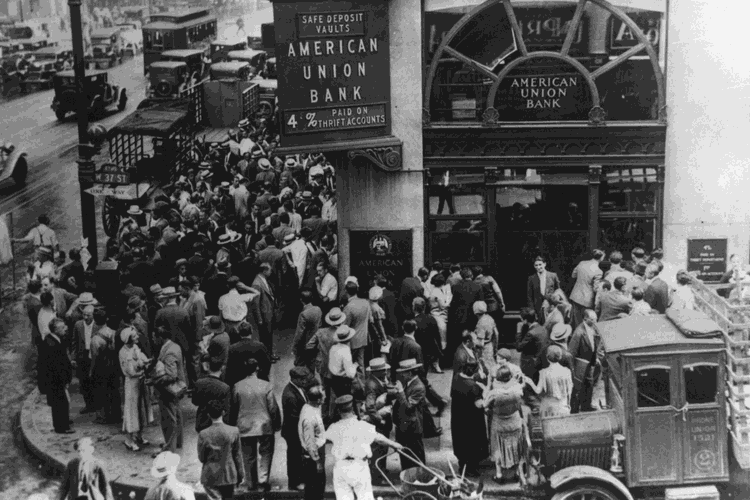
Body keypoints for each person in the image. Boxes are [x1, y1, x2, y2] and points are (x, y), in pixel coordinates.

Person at [321, 395, 404, 500]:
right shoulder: (363, 426)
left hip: (341, 467)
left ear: (338, 411)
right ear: (353, 409)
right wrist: (395, 445)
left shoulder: (333, 427)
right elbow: (379, 438)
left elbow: (321, 438)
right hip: (360, 467)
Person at [227, 358, 281, 493]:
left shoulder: (237, 386)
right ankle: (263, 481)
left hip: (244, 425)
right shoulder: (266, 385)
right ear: (257, 369)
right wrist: (276, 423)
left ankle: (251, 483)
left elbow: (234, 407)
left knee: (248, 455)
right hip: (264, 424)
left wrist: (233, 424)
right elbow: (273, 407)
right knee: (266, 453)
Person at [197, 399, 245, 500]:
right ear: (223, 412)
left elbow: (202, 457)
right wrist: (240, 473)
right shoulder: (234, 431)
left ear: (208, 415)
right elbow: (237, 455)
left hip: (210, 474)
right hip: (229, 473)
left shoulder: (203, 434)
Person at [484, 366, 525, 484]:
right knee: (516, 446)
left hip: (499, 422)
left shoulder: (494, 393)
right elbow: (521, 389)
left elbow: (485, 406)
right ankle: (517, 472)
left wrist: (486, 388)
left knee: (497, 447)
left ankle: (499, 474)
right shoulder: (517, 389)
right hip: (515, 421)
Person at [363, 358, 398, 485]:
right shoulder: (372, 385)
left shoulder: (378, 381)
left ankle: (381, 470)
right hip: (378, 424)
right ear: (376, 372)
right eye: (383, 370)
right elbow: (370, 407)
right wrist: (380, 420)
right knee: (378, 450)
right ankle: (376, 477)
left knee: (382, 449)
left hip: (382, 422)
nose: (385, 372)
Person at [450, 361, 488, 477]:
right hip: (472, 421)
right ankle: (471, 469)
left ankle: (462, 466)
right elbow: (479, 404)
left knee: (460, 442)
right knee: (473, 444)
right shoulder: (473, 387)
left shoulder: (456, 378)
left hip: (458, 418)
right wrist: (485, 390)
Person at [153, 322, 187, 453]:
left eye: (154, 337)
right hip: (177, 388)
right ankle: (177, 442)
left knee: (168, 419)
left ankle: (169, 447)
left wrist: (154, 380)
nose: (153, 339)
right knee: (176, 414)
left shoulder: (168, 352)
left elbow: (171, 375)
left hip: (168, 390)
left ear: (160, 337)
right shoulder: (174, 346)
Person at [120, 327, 153, 451]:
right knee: (131, 410)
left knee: (141, 409)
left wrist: (148, 362)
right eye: (134, 336)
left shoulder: (135, 348)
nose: (137, 337)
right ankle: (129, 440)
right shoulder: (123, 352)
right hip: (132, 383)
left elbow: (143, 360)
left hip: (140, 382)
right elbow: (130, 372)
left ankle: (139, 435)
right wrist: (143, 368)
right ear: (128, 339)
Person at [40, 318, 74, 434]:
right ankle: (61, 427)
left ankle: (63, 422)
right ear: (55, 330)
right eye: (63, 327)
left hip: (57, 380)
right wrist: (64, 380)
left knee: (62, 402)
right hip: (56, 381)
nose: (66, 328)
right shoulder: (51, 345)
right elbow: (56, 367)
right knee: (59, 403)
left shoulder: (55, 340)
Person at [393, 358, 427, 469]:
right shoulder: (409, 383)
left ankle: (419, 478)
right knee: (406, 456)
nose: (401, 375)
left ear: (410, 373)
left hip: (413, 428)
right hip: (405, 427)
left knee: (416, 457)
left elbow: (408, 407)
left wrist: (401, 392)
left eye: (403, 373)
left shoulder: (418, 387)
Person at [569, 309, 604, 413]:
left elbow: (593, 345)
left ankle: (586, 406)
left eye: (596, 319)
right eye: (592, 320)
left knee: (589, 384)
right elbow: (572, 352)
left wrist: (595, 358)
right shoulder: (578, 333)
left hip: (589, 362)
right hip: (580, 364)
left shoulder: (592, 327)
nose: (595, 322)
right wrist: (573, 368)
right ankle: (575, 408)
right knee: (578, 387)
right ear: (585, 319)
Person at [282, 367, 311, 491]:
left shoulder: (298, 389)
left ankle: (299, 479)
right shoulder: (290, 395)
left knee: (298, 456)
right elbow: (294, 418)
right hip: (294, 431)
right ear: (295, 379)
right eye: (302, 379)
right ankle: (294, 482)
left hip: (297, 430)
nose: (305, 382)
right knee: (294, 457)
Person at [525, 345, 574, 417]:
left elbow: (538, 390)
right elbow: (570, 389)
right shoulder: (567, 371)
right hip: (563, 405)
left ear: (547, 357)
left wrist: (529, 381)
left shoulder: (544, 372)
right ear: (560, 357)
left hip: (548, 407)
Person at [447, 267, 484, 358]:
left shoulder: (455, 287)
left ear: (461, 276)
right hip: (472, 317)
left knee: (459, 340)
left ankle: (460, 358)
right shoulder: (478, 287)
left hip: (458, 317)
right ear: (471, 276)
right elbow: (480, 304)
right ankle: (473, 357)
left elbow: (452, 303)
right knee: (472, 338)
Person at [298, 385, 327, 500]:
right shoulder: (309, 417)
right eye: (324, 397)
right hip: (313, 457)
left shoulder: (310, 407)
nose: (325, 398)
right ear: (319, 400)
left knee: (315, 488)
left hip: (315, 454)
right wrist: (317, 461)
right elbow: (310, 443)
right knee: (315, 489)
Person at [193, 356, 231, 433]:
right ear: (221, 369)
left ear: (208, 367)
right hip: (218, 424)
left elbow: (195, 402)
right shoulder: (225, 387)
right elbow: (227, 409)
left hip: (202, 421)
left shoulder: (199, 383)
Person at [342, 278, 371, 380]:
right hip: (363, 337)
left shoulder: (348, 307)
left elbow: (344, 326)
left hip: (352, 341)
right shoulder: (366, 302)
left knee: (349, 365)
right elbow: (370, 319)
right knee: (360, 363)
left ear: (346, 291)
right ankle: (362, 384)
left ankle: (354, 385)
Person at [569, 249, 605, 329]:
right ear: (601, 258)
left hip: (576, 295)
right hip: (587, 299)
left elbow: (573, 275)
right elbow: (596, 288)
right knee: (586, 322)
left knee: (577, 321)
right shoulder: (598, 271)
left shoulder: (582, 263)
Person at [72, 305, 98, 414]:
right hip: (82, 356)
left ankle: (97, 404)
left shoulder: (98, 325)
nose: (86, 317)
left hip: (94, 355)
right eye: (84, 314)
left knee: (95, 381)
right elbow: (74, 342)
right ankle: (88, 405)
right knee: (84, 382)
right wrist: (73, 358)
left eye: (88, 315)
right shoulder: (78, 325)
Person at [252, 262, 278, 362]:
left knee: (269, 336)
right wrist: (259, 319)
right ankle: (266, 357)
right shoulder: (257, 284)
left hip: (268, 313)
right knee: (265, 338)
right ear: (264, 271)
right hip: (263, 315)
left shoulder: (263, 280)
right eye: (269, 270)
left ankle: (270, 354)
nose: (271, 272)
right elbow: (255, 304)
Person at [328, 325, 358, 406]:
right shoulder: (345, 350)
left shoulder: (333, 347)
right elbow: (350, 374)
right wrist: (355, 366)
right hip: (343, 381)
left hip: (333, 378)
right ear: (349, 338)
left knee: (338, 400)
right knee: (348, 401)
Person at [526, 256, 561, 324]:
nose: (538, 267)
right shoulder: (531, 278)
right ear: (534, 266)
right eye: (536, 265)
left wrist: (555, 304)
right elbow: (529, 296)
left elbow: (558, 291)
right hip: (537, 308)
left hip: (551, 306)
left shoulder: (553, 276)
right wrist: (532, 311)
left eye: (540, 264)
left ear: (544, 264)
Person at [293, 288, 322, 367]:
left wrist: (294, 347)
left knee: (300, 367)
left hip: (305, 345)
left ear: (301, 300)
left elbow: (299, 333)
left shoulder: (303, 314)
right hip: (315, 342)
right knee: (311, 365)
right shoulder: (318, 309)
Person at [426, 273, 451, 351]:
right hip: (439, 318)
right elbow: (443, 305)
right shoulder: (438, 292)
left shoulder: (433, 291)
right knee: (442, 340)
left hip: (434, 315)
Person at [473, 300, 499, 375]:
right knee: (492, 366)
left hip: (483, 350)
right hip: (490, 346)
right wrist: (495, 348)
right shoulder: (490, 318)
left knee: (485, 369)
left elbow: (480, 343)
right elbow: (496, 334)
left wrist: (472, 339)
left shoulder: (480, 324)